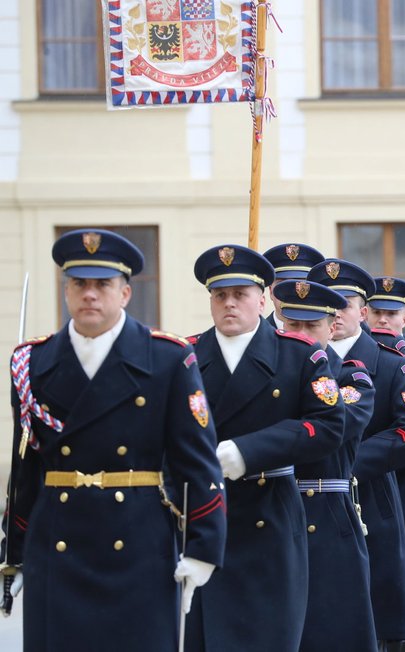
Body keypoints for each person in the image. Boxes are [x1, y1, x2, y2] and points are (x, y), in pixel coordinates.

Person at [1, 229, 227, 649]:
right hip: (57, 546)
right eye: (79, 284)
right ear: (66, 291)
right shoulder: (31, 362)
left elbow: (196, 461)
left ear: (124, 293)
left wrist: (202, 549)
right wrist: (13, 553)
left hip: (138, 544)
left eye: (102, 284)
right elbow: (26, 467)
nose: (90, 295)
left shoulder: (166, 359)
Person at [186, 245, 346, 652]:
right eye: (220, 295)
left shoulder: (300, 355)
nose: (230, 304)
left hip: (270, 515)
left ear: (263, 298)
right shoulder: (184, 356)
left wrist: (246, 451)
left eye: (240, 294)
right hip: (203, 516)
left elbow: (328, 426)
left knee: (266, 637)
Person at [309, 258, 405, 649]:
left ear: (363, 312)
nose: (336, 312)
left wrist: (349, 462)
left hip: (372, 497)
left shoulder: (392, 364)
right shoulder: (300, 359)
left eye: (344, 303)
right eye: (328, 304)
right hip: (308, 501)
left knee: (376, 619)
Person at [273, 279, 379, 650]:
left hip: (327, 513)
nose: (300, 335)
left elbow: (331, 429)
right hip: (272, 512)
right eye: (293, 325)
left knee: (332, 628)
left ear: (332, 326)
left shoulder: (352, 378)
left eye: (311, 326)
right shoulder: (267, 377)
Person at [262, 242, 326, 329]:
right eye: (282, 285)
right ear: (271, 291)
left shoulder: (323, 337)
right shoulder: (254, 339)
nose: (290, 292)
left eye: (299, 284)